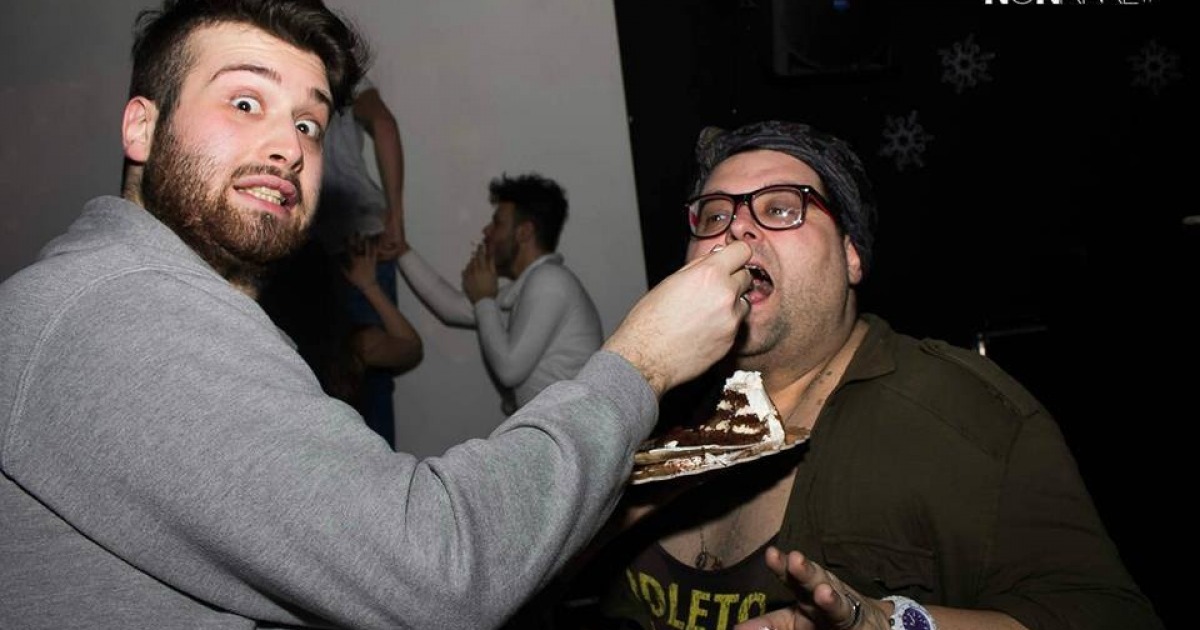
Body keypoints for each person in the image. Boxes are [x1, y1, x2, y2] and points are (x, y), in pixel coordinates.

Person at [0, 1, 756, 627]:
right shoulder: (128, 314)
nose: (287, 145)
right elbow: (442, 571)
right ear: (140, 126)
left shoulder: (132, 299)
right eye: (244, 102)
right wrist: (643, 363)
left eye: (308, 123)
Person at [593, 121, 1164, 630]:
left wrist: (894, 626)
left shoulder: (961, 414)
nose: (735, 231)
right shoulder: (653, 410)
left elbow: (1110, 616)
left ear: (851, 256)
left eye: (781, 207)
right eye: (715, 215)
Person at [270, 75, 418, 447]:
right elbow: (384, 123)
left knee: (301, 374)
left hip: (305, 242)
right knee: (366, 382)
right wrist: (395, 217)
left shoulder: (282, 74)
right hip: (349, 240)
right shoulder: (345, 76)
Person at [397, 173, 604, 414]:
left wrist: (484, 300)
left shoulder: (550, 281)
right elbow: (451, 308)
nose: (487, 231)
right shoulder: (532, 284)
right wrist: (400, 250)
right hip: (560, 427)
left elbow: (509, 370)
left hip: (571, 429)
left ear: (524, 232)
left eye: (497, 223)